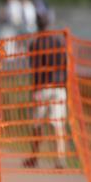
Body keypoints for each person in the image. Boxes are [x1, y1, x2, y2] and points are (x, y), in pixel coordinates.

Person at [24, 13, 68, 169]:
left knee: (38, 125)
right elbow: (66, 64)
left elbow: (33, 66)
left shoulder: (35, 44)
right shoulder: (59, 42)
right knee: (57, 125)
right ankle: (60, 158)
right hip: (59, 87)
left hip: (42, 88)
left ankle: (35, 157)